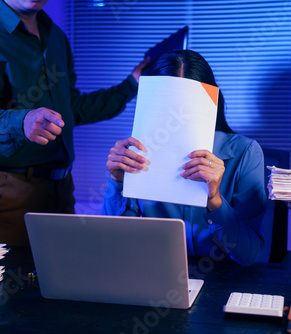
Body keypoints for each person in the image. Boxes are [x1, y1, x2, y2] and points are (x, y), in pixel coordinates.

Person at [0, 0, 148, 246]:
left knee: (65, 280)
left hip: (62, 190)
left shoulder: (55, 37)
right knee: (12, 282)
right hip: (9, 194)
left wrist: (132, 83)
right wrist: (21, 122)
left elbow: (71, 108)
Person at [102, 50, 267, 266]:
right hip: (153, 273)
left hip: (220, 279)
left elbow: (249, 254)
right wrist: (117, 182)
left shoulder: (245, 152)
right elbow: (112, 245)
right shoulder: (135, 151)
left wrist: (214, 199)